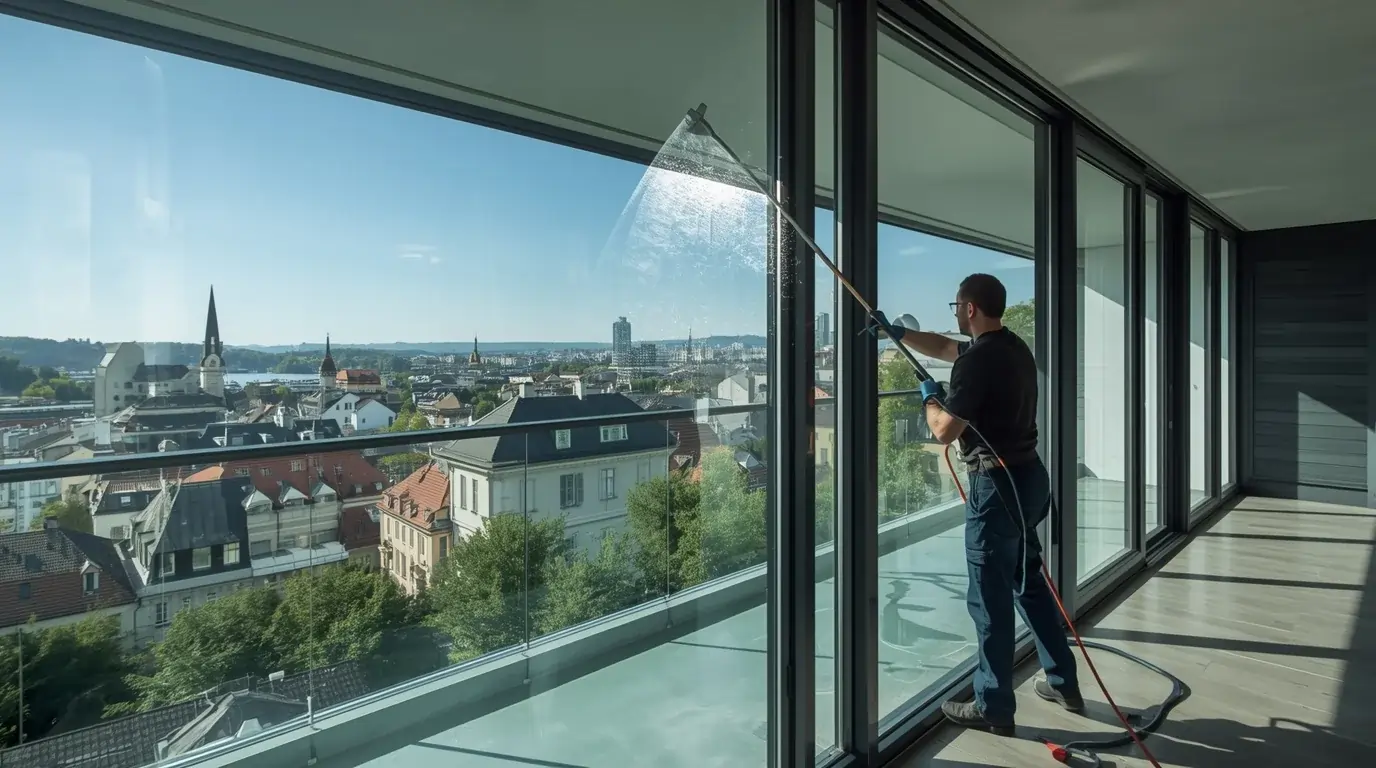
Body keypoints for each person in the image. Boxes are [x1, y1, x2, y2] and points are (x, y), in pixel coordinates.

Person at [873, 273, 1081, 736]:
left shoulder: (977, 362)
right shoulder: (1012, 347)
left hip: (996, 488)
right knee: (1029, 582)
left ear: (969, 309)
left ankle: (993, 705)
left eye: (956, 306)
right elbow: (947, 349)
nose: (954, 314)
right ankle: (1064, 681)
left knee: (988, 601)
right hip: (1030, 481)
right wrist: (901, 335)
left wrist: (930, 400)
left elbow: (945, 431)